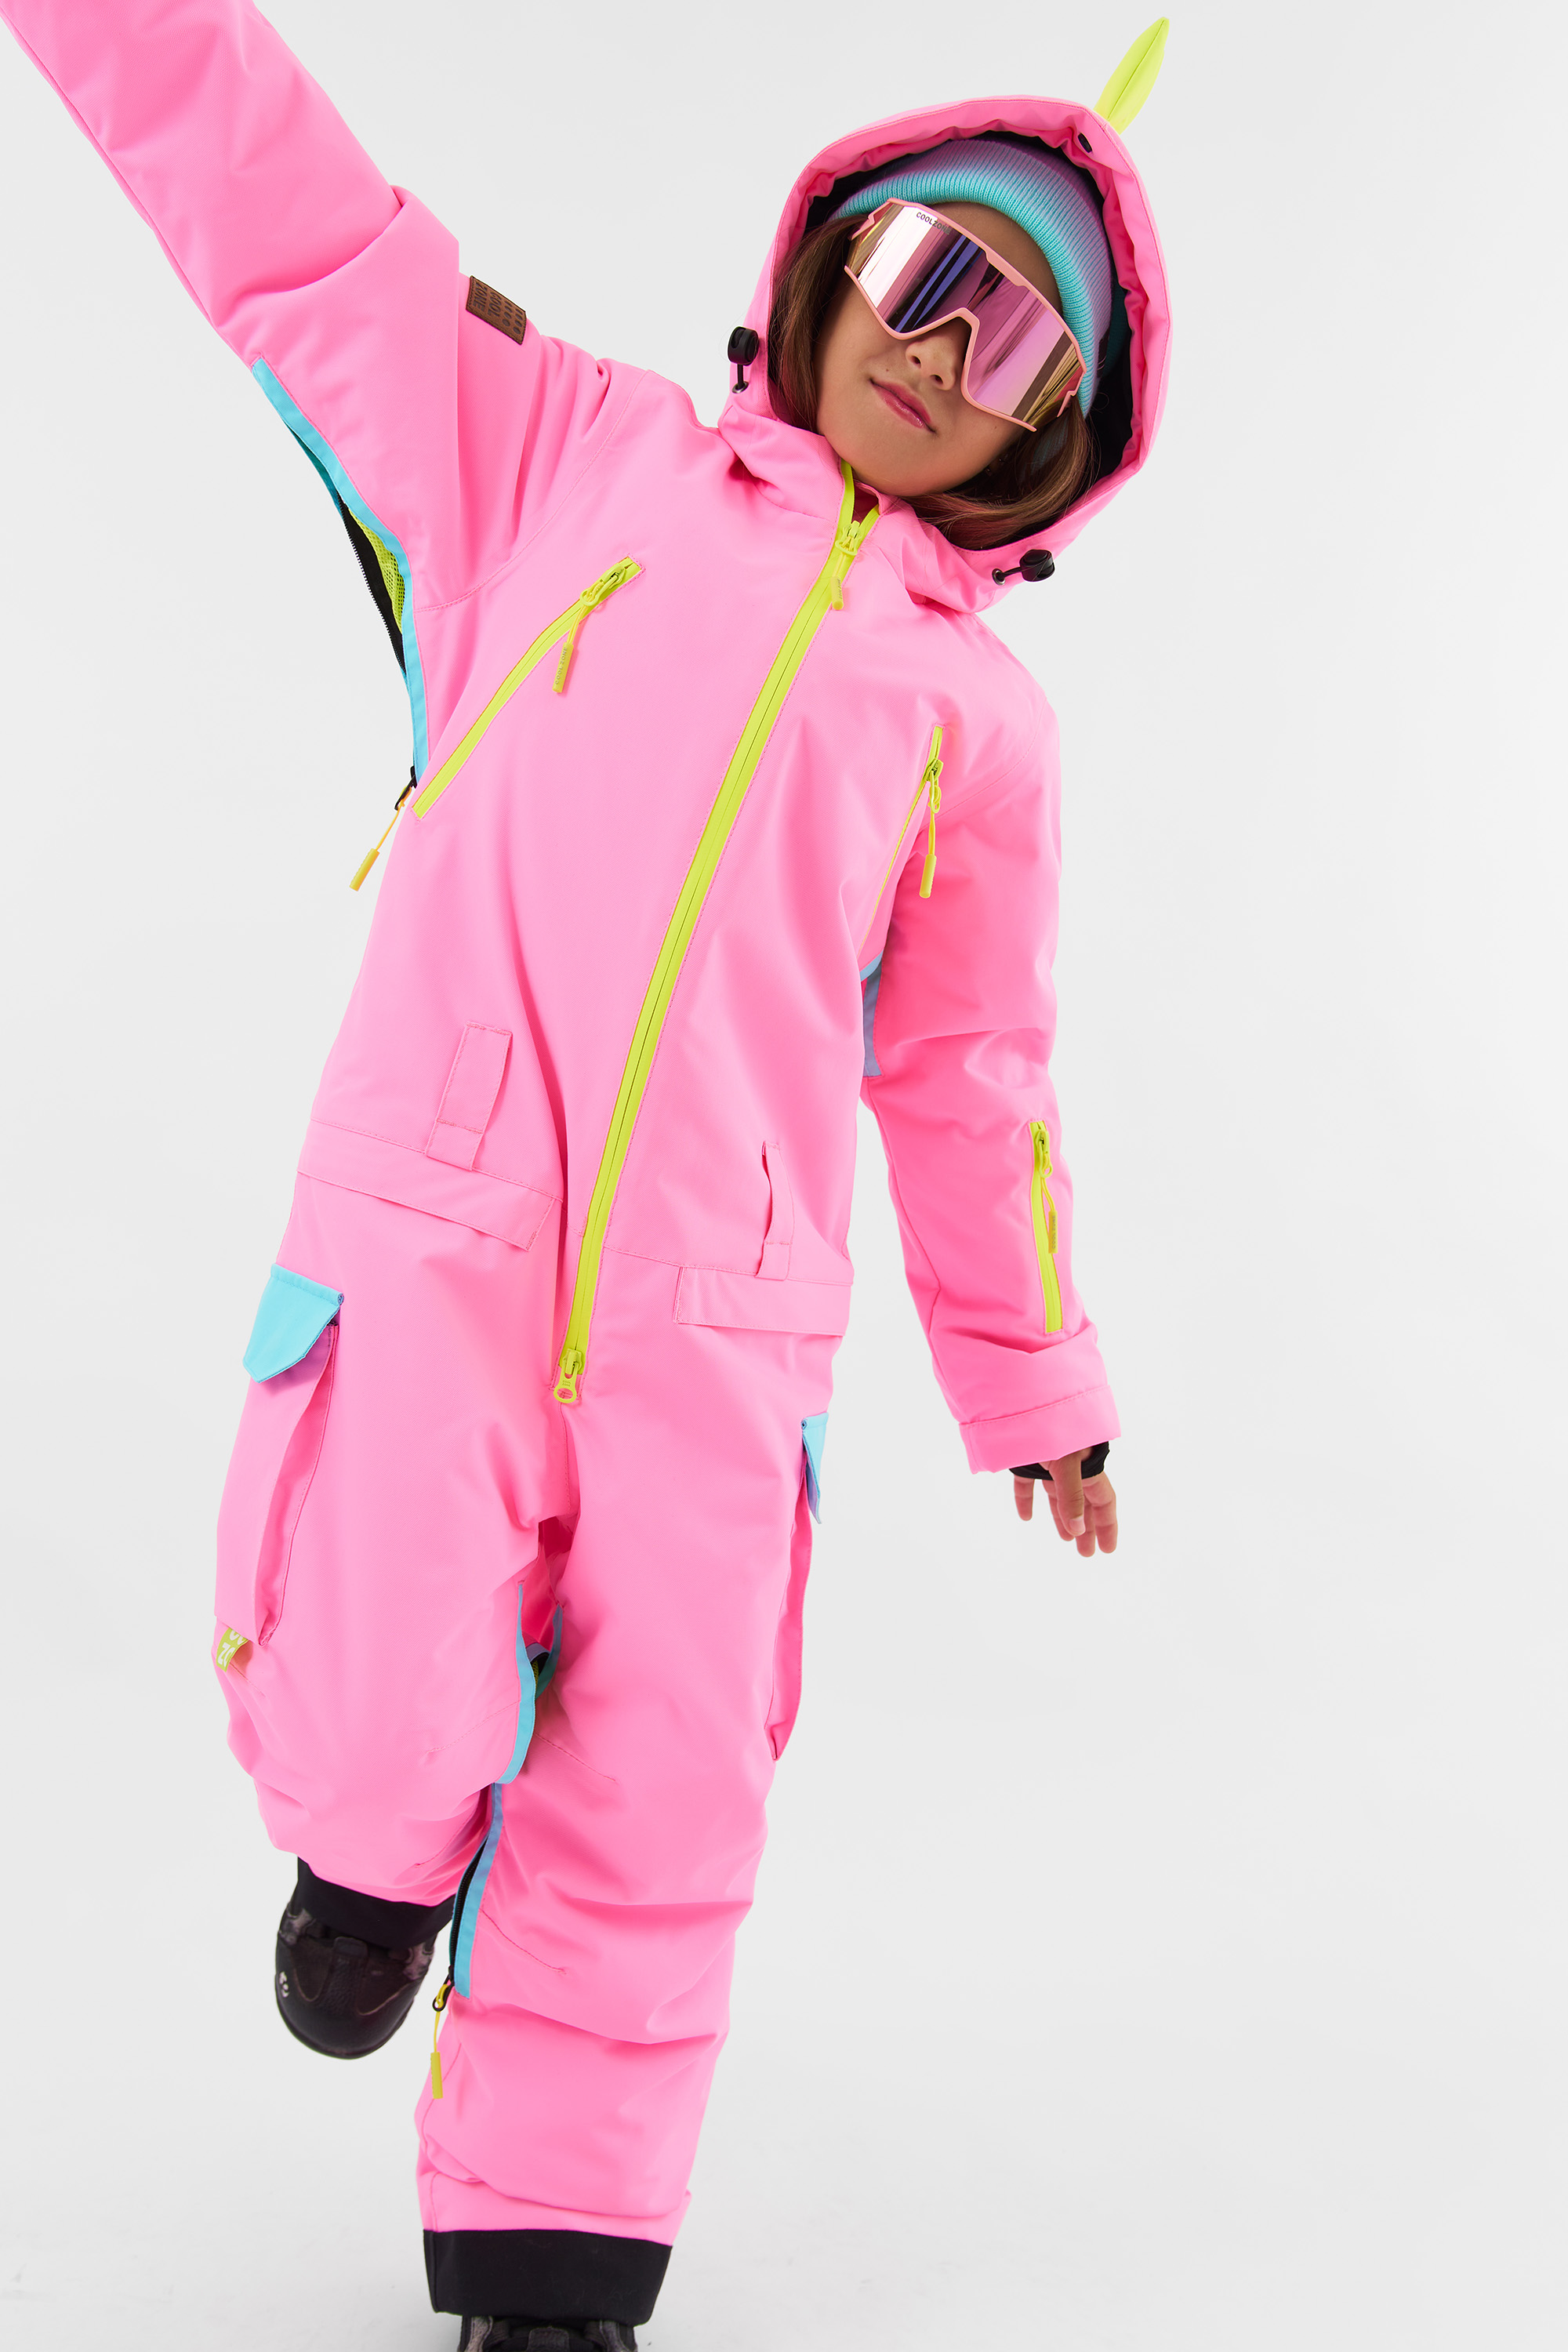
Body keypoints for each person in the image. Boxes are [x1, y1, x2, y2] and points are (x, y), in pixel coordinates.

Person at [2, 2, 1171, 2343]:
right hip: (437, 1232)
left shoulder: (980, 723)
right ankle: (369, 1865)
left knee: (662, 1797)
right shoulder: (563, 450)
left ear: (1050, 438)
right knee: (378, 1672)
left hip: (724, 1335)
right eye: (931, 273)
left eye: (1018, 345)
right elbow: (300, 224)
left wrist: (1032, 1372)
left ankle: (550, 2262)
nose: (945, 353)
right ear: (833, 261)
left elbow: (972, 1069)